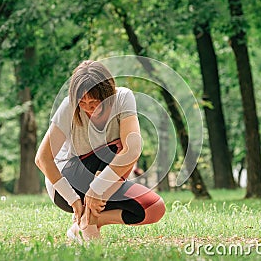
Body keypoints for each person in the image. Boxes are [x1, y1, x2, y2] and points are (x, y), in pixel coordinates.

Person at [35, 60, 165, 242]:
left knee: (153, 208)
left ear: (108, 95)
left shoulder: (122, 98)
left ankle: (86, 223)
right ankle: (87, 221)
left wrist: (97, 190)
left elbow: (133, 149)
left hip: (104, 183)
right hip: (66, 185)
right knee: (116, 146)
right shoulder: (68, 106)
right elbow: (43, 159)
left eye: (95, 102)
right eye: (83, 102)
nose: (88, 108)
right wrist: (73, 199)